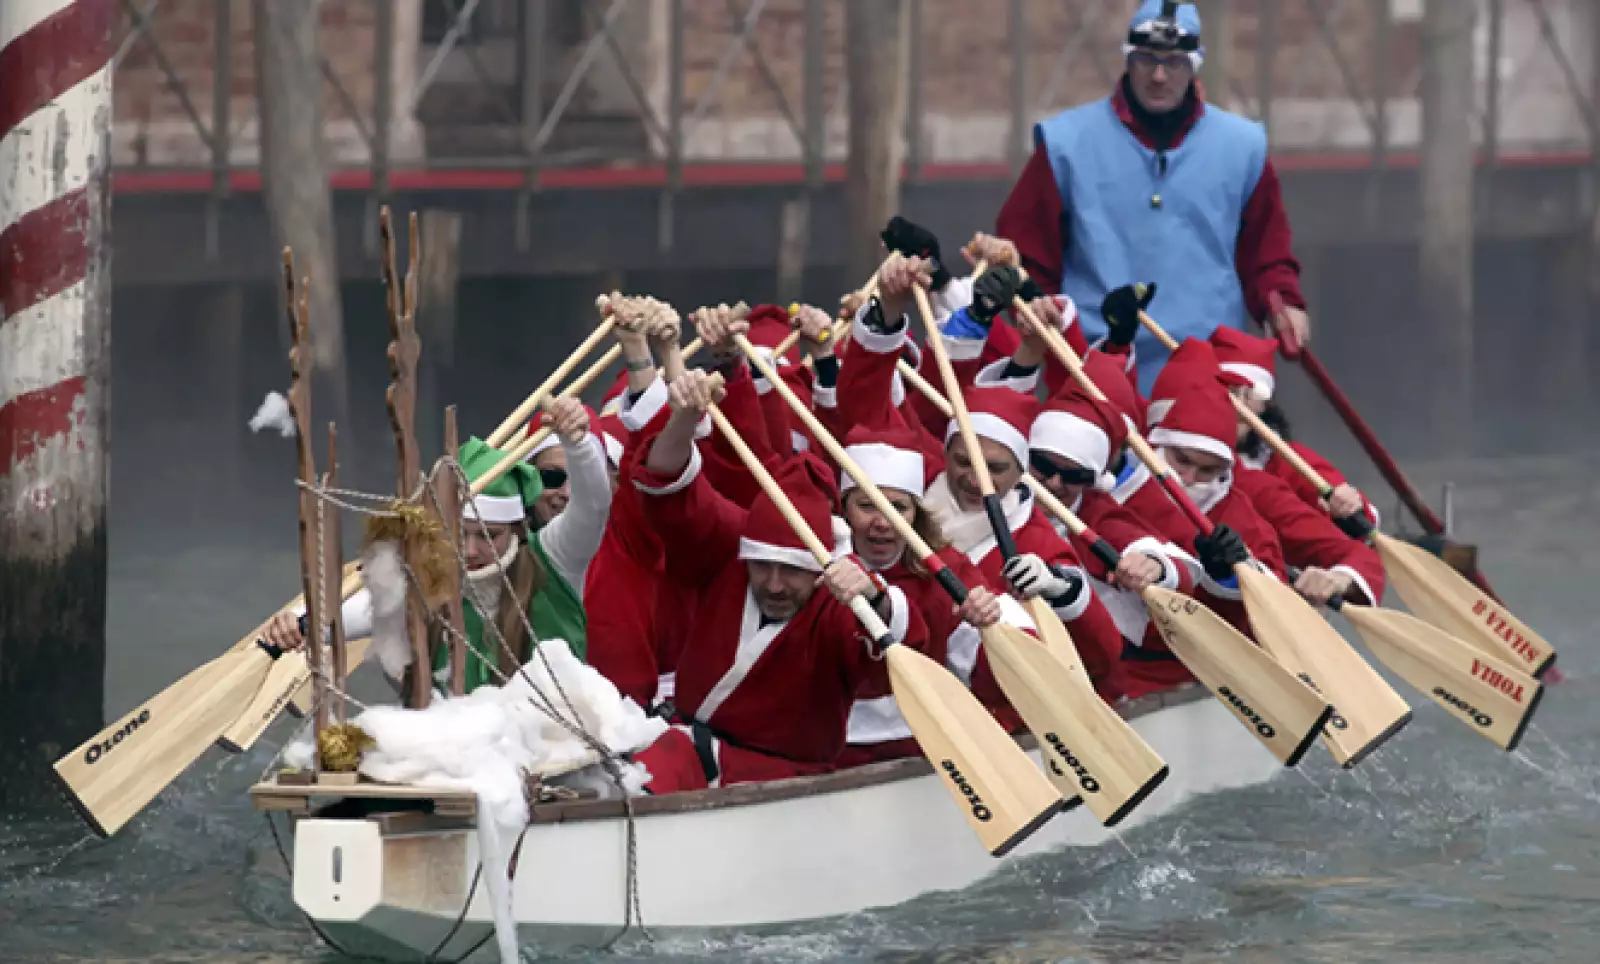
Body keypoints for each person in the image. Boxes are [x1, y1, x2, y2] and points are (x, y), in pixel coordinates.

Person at [625, 369, 931, 792]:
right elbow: (669, 490)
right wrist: (682, 419)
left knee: (681, 750)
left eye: (790, 571)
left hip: (788, 779)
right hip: (692, 743)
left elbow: (903, 645)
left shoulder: (839, 602)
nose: (772, 584)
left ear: (818, 568)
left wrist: (874, 596)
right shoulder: (730, 548)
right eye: (762, 566)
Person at [995, 0, 1309, 392]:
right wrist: (1031, 304)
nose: (1159, 76)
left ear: (1194, 65)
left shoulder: (1242, 148)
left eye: (1174, 63)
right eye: (1146, 60)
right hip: (1092, 372)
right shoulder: (1066, 145)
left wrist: (1282, 304)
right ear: (1127, 60)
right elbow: (1023, 254)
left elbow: (1266, 254)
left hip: (1209, 374)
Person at [857, 257, 1128, 708]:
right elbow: (872, 405)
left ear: (1021, 472)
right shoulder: (911, 483)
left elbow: (1103, 657)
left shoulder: (1035, 540)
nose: (972, 477)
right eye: (962, 460)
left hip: (983, 714)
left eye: (994, 468)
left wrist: (1061, 588)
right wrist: (902, 310)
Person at [263, 398, 609, 693]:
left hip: (550, 740)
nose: (471, 551)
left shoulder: (556, 555)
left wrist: (579, 444)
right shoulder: (432, 568)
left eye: (490, 535)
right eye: (460, 535)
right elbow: (371, 605)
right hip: (463, 745)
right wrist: (301, 624)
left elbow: (593, 507)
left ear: (517, 530)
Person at [831, 425, 1028, 766]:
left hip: (921, 739)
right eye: (867, 505)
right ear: (844, 507)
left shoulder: (947, 570)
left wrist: (989, 622)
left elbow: (1004, 669)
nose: (883, 522)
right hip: (829, 742)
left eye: (898, 508)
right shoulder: (816, 562)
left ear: (916, 514)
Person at [1209, 326, 1378, 527]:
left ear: (1263, 405)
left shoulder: (1290, 462)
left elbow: (1360, 517)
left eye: (1245, 394)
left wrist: (1346, 507)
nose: (1236, 407)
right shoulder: (1175, 451)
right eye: (1227, 392)